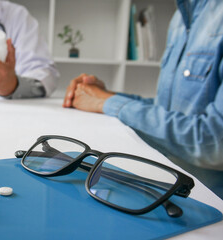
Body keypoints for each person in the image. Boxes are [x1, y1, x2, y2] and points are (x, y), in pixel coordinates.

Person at [63, 0, 223, 199]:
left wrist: (107, 102)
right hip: (159, 183)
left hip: (208, 202)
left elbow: (215, 144)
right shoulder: (179, 19)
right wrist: (103, 96)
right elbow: (164, 109)